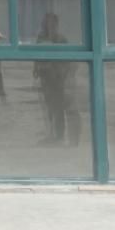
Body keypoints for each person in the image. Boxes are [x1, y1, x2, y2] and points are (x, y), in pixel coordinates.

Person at [34, 12, 80, 146]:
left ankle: (61, 136)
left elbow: (68, 59)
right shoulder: (41, 38)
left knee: (59, 107)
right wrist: (36, 68)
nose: (49, 25)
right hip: (45, 77)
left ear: (56, 24)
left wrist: (64, 75)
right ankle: (52, 134)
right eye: (47, 23)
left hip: (58, 78)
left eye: (52, 23)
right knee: (49, 106)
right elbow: (36, 54)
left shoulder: (61, 39)